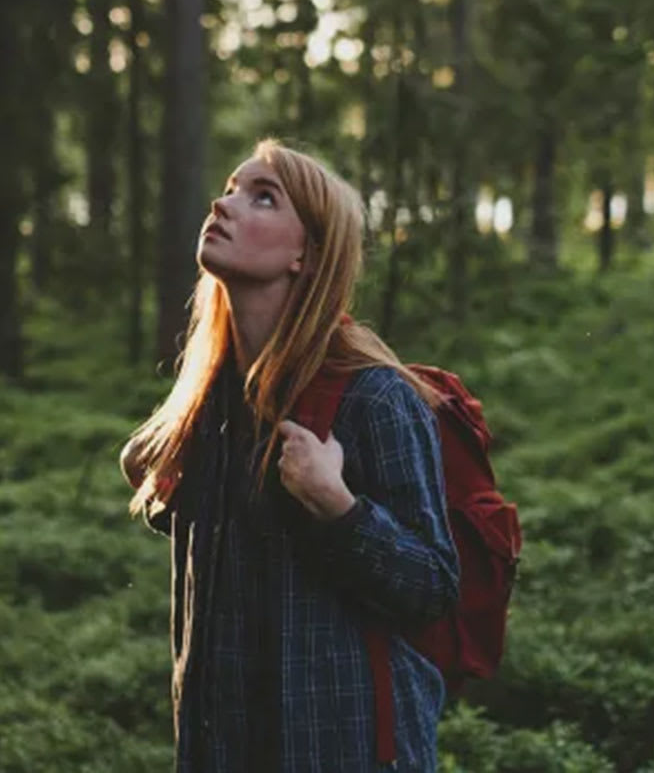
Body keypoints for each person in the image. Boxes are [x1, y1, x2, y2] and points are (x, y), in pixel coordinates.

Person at [121, 139, 460, 772]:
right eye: (229, 187)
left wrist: (340, 507)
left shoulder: (373, 395)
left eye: (263, 197)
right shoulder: (215, 402)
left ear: (306, 254)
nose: (223, 204)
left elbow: (433, 587)